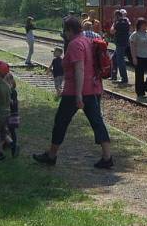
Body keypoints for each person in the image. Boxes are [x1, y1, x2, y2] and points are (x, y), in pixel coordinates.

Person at [33, 16, 113, 169]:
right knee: (97, 122)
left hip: (76, 91)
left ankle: (51, 155)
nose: (65, 34)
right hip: (93, 88)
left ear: (69, 30)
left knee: (61, 121)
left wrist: (78, 95)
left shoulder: (75, 44)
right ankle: (107, 156)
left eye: (65, 30)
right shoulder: (87, 41)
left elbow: (79, 69)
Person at [130, 17, 147, 99]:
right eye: (143, 24)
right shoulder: (135, 34)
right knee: (139, 75)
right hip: (139, 56)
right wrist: (134, 58)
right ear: (139, 25)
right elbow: (132, 47)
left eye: (146, 24)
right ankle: (140, 92)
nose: (145, 26)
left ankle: (146, 87)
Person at [110, 10, 130, 84]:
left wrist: (114, 23)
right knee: (114, 58)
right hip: (124, 42)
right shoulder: (127, 21)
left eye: (114, 16)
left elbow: (112, 31)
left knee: (120, 60)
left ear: (117, 16)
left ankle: (124, 78)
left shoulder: (117, 23)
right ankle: (114, 75)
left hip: (120, 44)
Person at [4, 72, 20, 157]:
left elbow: (13, 103)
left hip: (12, 114)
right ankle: (7, 144)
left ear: (11, 81)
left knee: (12, 131)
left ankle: (14, 146)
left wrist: (9, 100)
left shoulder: (13, 91)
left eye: (7, 81)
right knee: (6, 129)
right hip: (7, 113)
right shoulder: (7, 91)